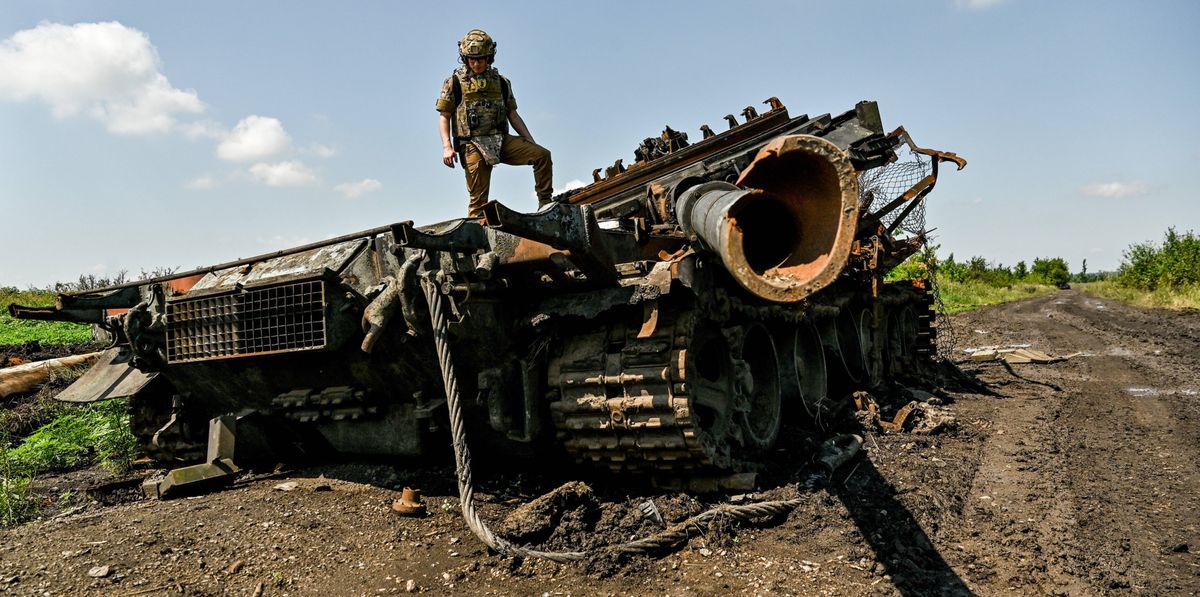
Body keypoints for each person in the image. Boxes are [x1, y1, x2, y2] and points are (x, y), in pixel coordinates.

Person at [436, 29, 553, 218]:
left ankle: (546, 203)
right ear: (464, 58)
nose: (476, 63)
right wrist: (447, 147)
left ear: (489, 57)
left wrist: (529, 140)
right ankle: (476, 240)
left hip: (501, 140)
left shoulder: (501, 82)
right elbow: (444, 116)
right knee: (479, 201)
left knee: (542, 155)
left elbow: (513, 115)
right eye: (471, 59)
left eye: (480, 59)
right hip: (472, 143)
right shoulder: (454, 82)